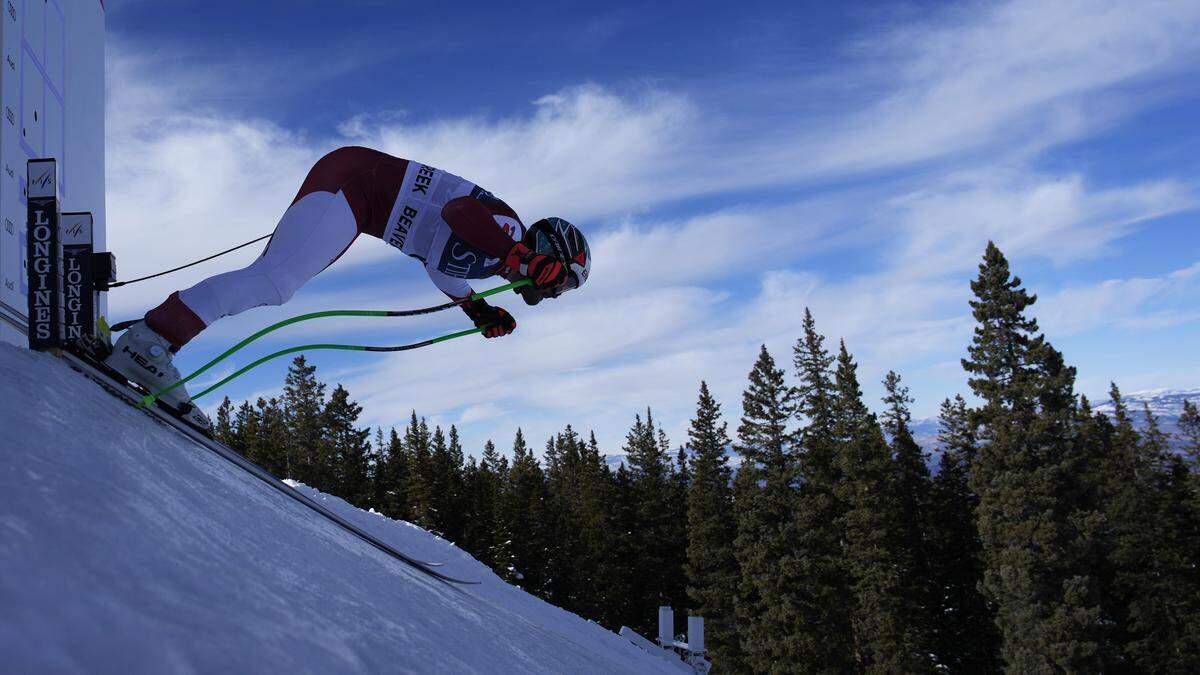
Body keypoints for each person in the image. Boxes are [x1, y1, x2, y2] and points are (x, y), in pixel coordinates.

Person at [105, 146, 591, 427]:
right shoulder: (507, 230)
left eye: (558, 291)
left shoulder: (493, 261)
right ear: (550, 250)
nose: (550, 292)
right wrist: (517, 256)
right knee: (276, 281)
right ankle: (151, 340)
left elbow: (441, 265)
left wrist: (475, 310)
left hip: (361, 200)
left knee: (276, 280)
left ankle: (152, 337)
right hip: (356, 186)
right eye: (558, 281)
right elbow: (458, 213)